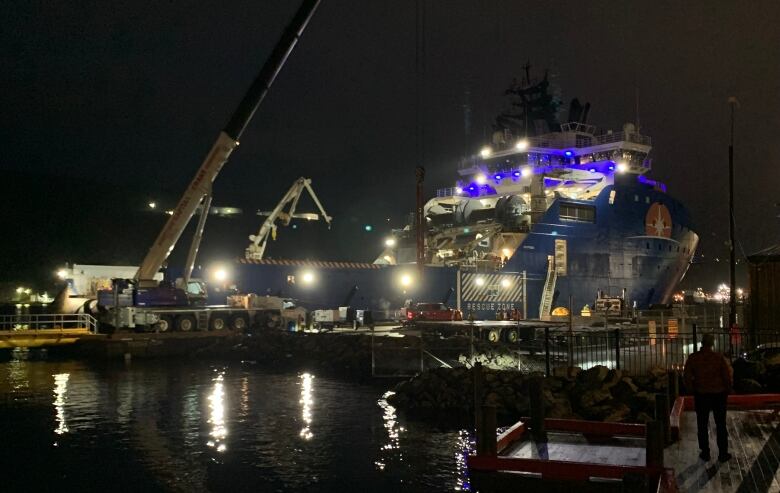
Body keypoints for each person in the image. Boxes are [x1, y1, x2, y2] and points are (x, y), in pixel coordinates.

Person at [683, 334, 734, 462]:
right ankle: (722, 453)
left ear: (702, 343)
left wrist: (691, 389)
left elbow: (687, 377)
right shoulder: (718, 358)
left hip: (701, 394)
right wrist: (728, 389)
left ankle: (705, 452)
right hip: (719, 394)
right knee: (720, 424)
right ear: (711, 344)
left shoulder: (694, 358)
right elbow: (726, 376)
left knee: (702, 424)